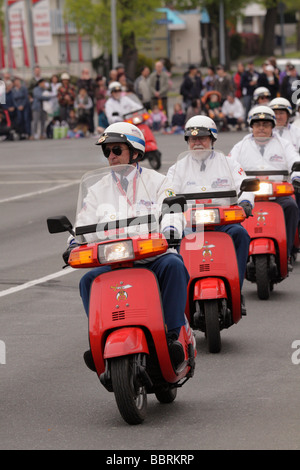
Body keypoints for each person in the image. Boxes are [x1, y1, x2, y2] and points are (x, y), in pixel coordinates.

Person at [63, 122, 189, 371]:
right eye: (107, 152)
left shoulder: (158, 181)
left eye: (116, 150)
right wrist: (72, 242)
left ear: (135, 152)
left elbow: (172, 208)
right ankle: (100, 340)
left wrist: (171, 230)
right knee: (88, 281)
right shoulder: (97, 190)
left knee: (174, 264)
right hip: (113, 260)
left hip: (153, 256)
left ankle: (173, 336)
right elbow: (84, 222)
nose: (111, 156)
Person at [167, 115, 254, 297]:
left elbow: (245, 184)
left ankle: (235, 288)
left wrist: (246, 202)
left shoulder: (229, 163)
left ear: (212, 140)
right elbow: (168, 194)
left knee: (241, 234)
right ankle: (183, 291)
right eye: (193, 138)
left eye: (202, 138)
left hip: (223, 221)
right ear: (187, 141)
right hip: (190, 224)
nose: (197, 142)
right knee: (172, 243)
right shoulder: (177, 168)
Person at [229, 105, 300, 270]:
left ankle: (287, 252)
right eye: (257, 124)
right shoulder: (240, 146)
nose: (261, 128)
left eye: (266, 124)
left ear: (272, 127)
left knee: (291, 206)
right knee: (234, 218)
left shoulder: (284, 144)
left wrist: (296, 175)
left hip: (278, 194)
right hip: (249, 195)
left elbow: (294, 160)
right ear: (251, 126)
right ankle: (239, 257)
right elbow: (230, 165)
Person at [269, 97, 300, 227]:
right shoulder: (264, 133)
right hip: (268, 180)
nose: (278, 116)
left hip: (293, 178)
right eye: (275, 113)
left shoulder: (297, 131)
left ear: (288, 114)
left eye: (281, 113)